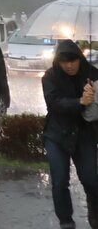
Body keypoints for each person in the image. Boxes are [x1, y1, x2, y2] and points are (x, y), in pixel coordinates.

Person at [42, 39, 98, 229]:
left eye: (73, 60)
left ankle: (95, 210)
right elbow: (54, 103)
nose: (69, 65)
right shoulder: (50, 77)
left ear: (80, 59)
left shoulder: (91, 73)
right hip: (57, 135)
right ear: (58, 61)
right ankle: (66, 221)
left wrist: (94, 94)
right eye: (64, 62)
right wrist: (80, 101)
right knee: (59, 182)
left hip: (84, 134)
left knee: (91, 179)